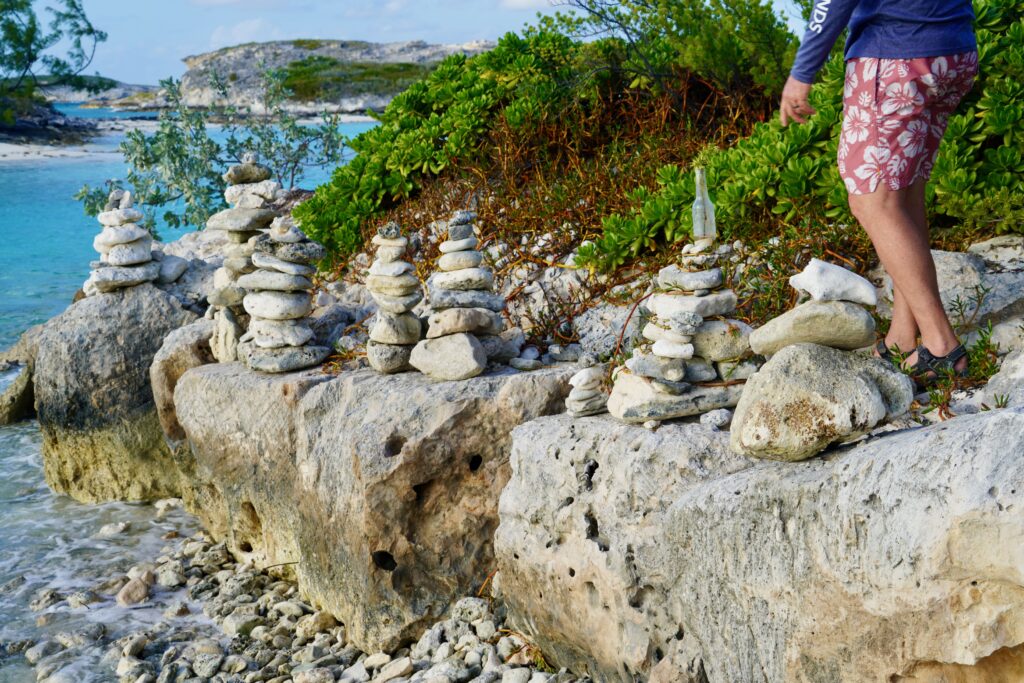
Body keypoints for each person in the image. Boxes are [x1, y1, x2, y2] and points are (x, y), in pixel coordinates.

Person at [780, 0, 978, 383]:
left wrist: (802, 72)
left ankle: (942, 347)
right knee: (903, 193)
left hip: (895, 55)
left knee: (871, 201)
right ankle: (903, 338)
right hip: (953, 50)